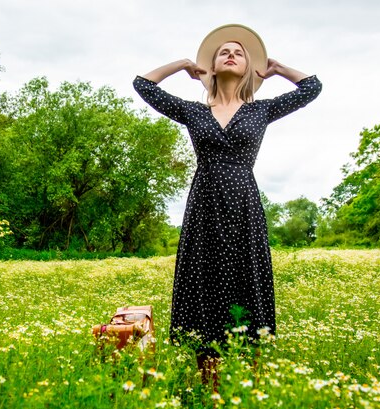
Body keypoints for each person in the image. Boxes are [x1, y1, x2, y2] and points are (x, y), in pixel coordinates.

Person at [132, 24, 322, 388]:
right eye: (223, 52)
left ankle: (251, 383)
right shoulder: (193, 111)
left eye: (238, 52)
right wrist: (184, 64)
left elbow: (312, 86)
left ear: (249, 67)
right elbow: (143, 84)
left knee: (246, 280)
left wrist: (279, 69)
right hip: (203, 203)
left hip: (244, 206)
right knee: (204, 282)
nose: (231, 54)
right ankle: (210, 385)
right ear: (213, 68)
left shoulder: (263, 109)